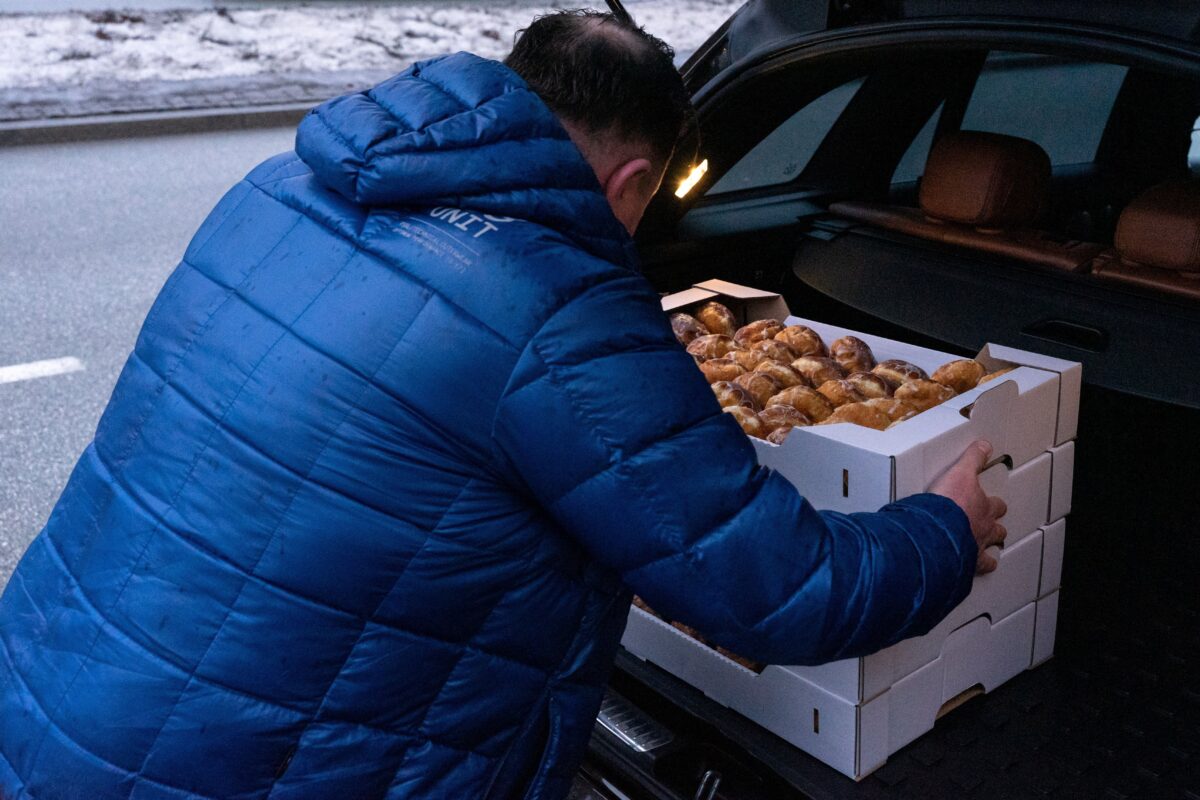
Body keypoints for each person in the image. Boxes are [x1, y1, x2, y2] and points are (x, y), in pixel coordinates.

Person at [0, 10, 1006, 800]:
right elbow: (775, 587)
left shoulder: (278, 187)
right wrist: (947, 528)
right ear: (634, 180)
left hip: (48, 700)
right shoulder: (559, 305)